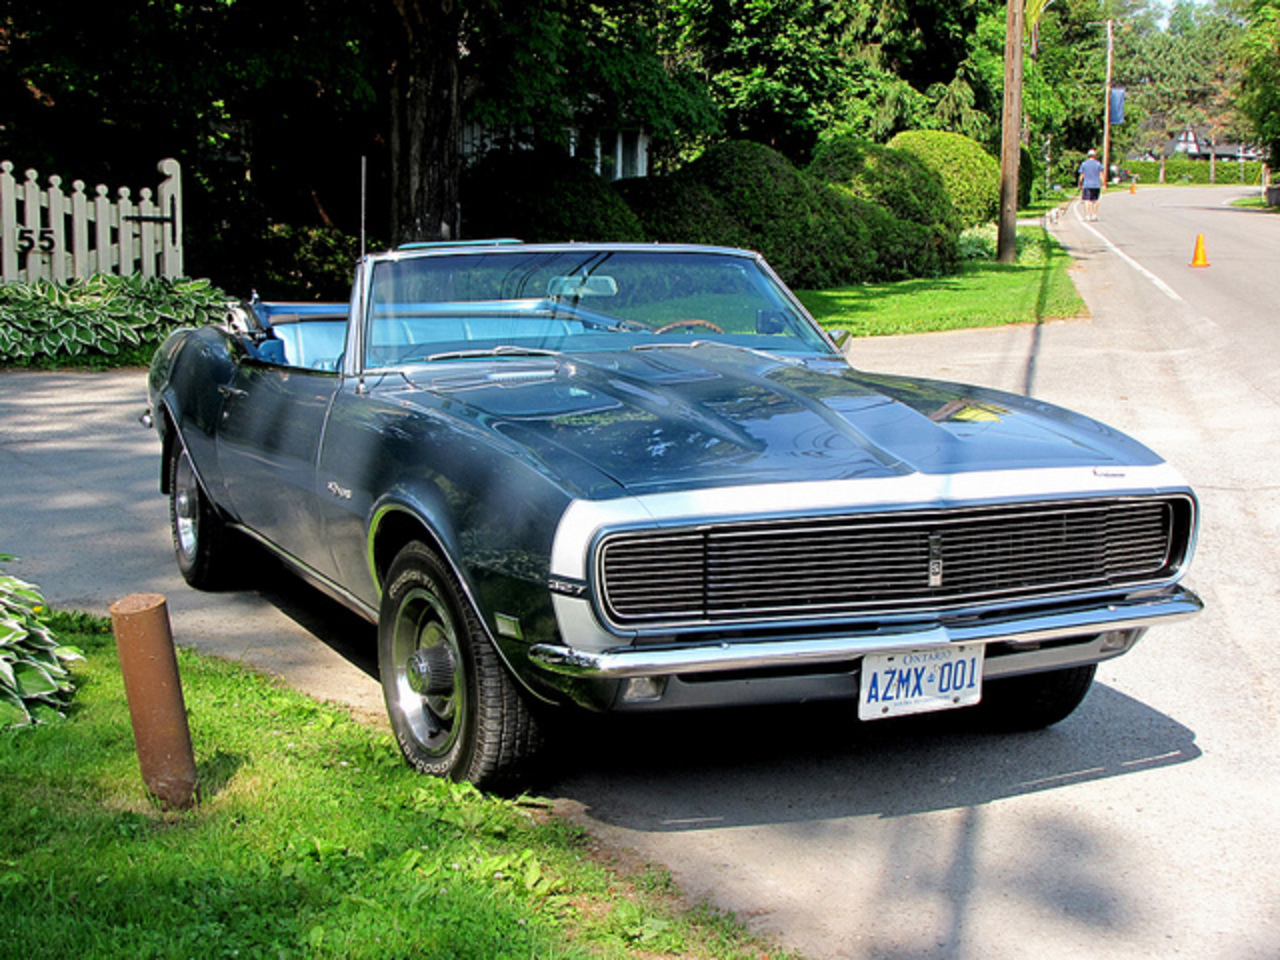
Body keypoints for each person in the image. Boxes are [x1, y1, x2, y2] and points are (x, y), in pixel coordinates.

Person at [1078, 148, 1104, 221]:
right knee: (1095, 200)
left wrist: (1080, 184)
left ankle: (1087, 215)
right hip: (1096, 184)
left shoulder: (1084, 164)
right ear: (1094, 156)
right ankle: (1094, 215)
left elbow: (1082, 175)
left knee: (1087, 200)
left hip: (1086, 184)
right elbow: (1101, 174)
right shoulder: (1098, 164)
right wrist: (1103, 184)